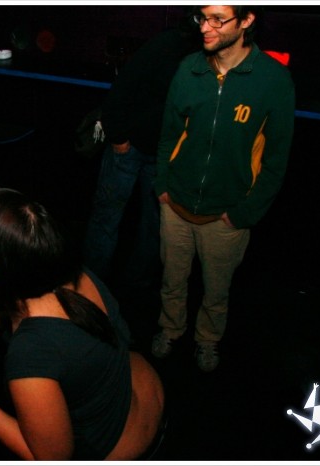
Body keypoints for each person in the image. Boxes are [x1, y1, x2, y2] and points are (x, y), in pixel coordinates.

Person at [0, 188, 165, 460]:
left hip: (122, 448)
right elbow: (63, 331)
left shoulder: (29, 353)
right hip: (143, 395)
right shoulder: (75, 274)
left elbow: (52, 457)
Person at [151, 5, 295, 372]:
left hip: (226, 215)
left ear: (246, 21)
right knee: (171, 281)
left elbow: (276, 161)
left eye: (218, 19)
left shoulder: (273, 80)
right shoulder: (189, 68)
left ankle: (207, 340)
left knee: (216, 291)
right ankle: (170, 329)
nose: (205, 27)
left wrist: (244, 212)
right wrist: (162, 186)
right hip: (175, 205)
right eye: (202, 17)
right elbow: (168, 134)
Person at [82, 19, 199, 295]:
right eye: (208, 18)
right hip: (130, 146)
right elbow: (123, 87)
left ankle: (137, 286)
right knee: (107, 218)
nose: (212, 27)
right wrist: (119, 138)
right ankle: (89, 287)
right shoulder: (167, 44)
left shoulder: (211, 56)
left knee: (155, 223)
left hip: (165, 155)